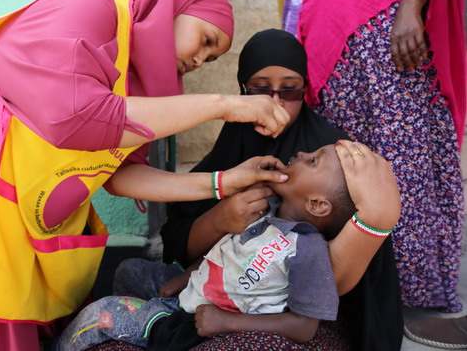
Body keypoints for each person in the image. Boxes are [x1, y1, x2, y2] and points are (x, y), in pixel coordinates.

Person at [0, 0, 294, 350]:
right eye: (206, 40)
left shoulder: (139, 86)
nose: (199, 60)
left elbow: (123, 175)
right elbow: (73, 116)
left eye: (210, 60)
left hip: (35, 204)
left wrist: (223, 182)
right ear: (172, 8)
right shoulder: (91, 7)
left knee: (23, 308)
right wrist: (223, 105)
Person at [159, 29, 404, 351]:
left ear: (305, 89)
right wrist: (220, 220)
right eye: (259, 89)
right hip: (218, 295)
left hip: (301, 315)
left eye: (290, 90)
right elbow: (179, 244)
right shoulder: (234, 142)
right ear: (242, 90)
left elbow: (334, 280)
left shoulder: (327, 158)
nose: (274, 102)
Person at [55, 144, 359, 351]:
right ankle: (140, 320)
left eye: (313, 161)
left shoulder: (307, 249)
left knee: (100, 314)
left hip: (194, 322)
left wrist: (226, 321)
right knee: (127, 269)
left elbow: (305, 327)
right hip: (192, 290)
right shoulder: (266, 208)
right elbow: (226, 253)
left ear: (317, 205)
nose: (302, 153)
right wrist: (187, 275)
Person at [295, 0, 467, 347]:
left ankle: (408, 295)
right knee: (344, 169)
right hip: (338, 32)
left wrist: (412, 0)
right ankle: (359, 286)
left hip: (387, 27)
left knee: (404, 166)